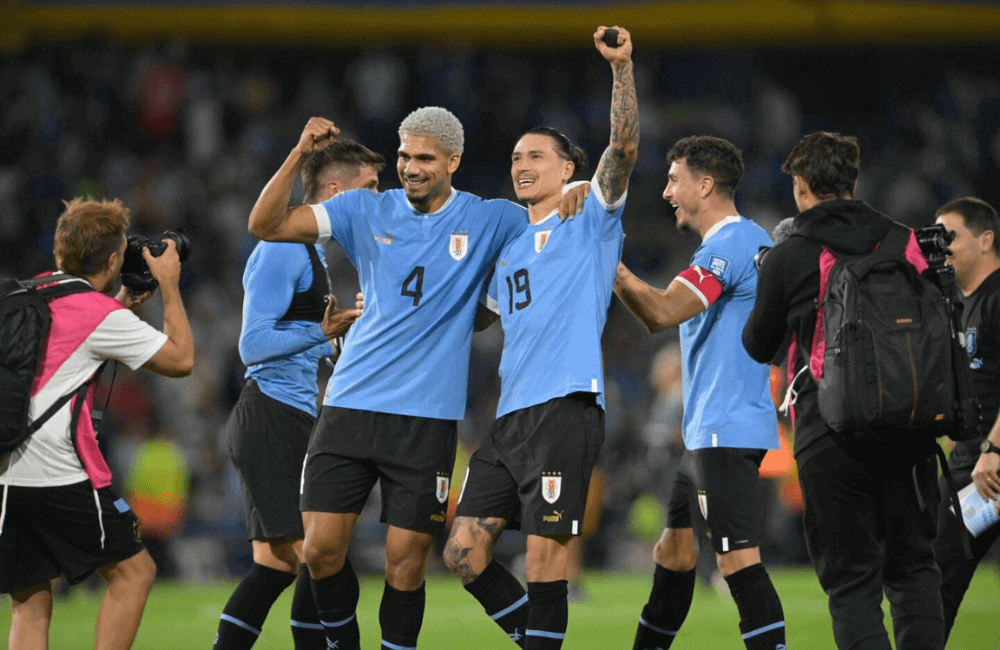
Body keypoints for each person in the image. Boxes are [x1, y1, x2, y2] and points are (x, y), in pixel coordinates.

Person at [246, 109, 587, 650]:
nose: (410, 167)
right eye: (404, 156)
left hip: (425, 420)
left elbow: (553, 218)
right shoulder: (363, 208)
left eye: (424, 158)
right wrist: (298, 154)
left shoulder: (489, 218)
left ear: (452, 161)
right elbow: (265, 225)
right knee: (319, 551)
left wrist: (582, 184)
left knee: (406, 567)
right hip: (350, 403)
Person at [442, 25, 637, 650]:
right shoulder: (508, 248)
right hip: (509, 421)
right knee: (464, 553)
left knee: (545, 563)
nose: (522, 165)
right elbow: (477, 320)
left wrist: (621, 68)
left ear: (570, 169)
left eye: (536, 157)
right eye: (516, 158)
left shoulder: (592, 219)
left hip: (565, 407)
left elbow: (625, 146)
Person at [742, 131, 944, 649]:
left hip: (828, 432)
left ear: (802, 187)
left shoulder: (790, 253)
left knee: (853, 583)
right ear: (852, 183)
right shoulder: (906, 240)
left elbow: (758, 344)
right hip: (908, 426)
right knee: (914, 571)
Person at [615, 135, 787, 650]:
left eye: (674, 179)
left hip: (726, 428)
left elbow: (664, 312)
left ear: (705, 184)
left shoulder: (729, 246)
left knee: (737, 560)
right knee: (674, 551)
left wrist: (610, 263)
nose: (666, 191)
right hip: (710, 430)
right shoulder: (745, 241)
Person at [0, 198, 194, 650]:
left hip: (8, 471)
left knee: (30, 607)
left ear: (59, 252)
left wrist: (122, 300)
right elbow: (181, 359)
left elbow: (70, 342)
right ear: (112, 260)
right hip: (58, 473)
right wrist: (169, 286)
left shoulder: (26, 294)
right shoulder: (99, 315)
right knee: (135, 573)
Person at [213, 140, 379, 650]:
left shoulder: (311, 252)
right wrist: (320, 333)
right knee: (318, 554)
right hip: (270, 414)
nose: (379, 198)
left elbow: (301, 343)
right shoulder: (284, 247)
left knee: (279, 564)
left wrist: (339, 341)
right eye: (370, 188)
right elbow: (253, 344)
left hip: (289, 413)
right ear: (335, 192)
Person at [932, 197, 1000, 641]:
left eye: (950, 235)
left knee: (936, 583)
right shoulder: (961, 304)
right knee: (934, 584)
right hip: (971, 465)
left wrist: (994, 448)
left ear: (986, 239)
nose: (942, 247)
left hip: (991, 464)